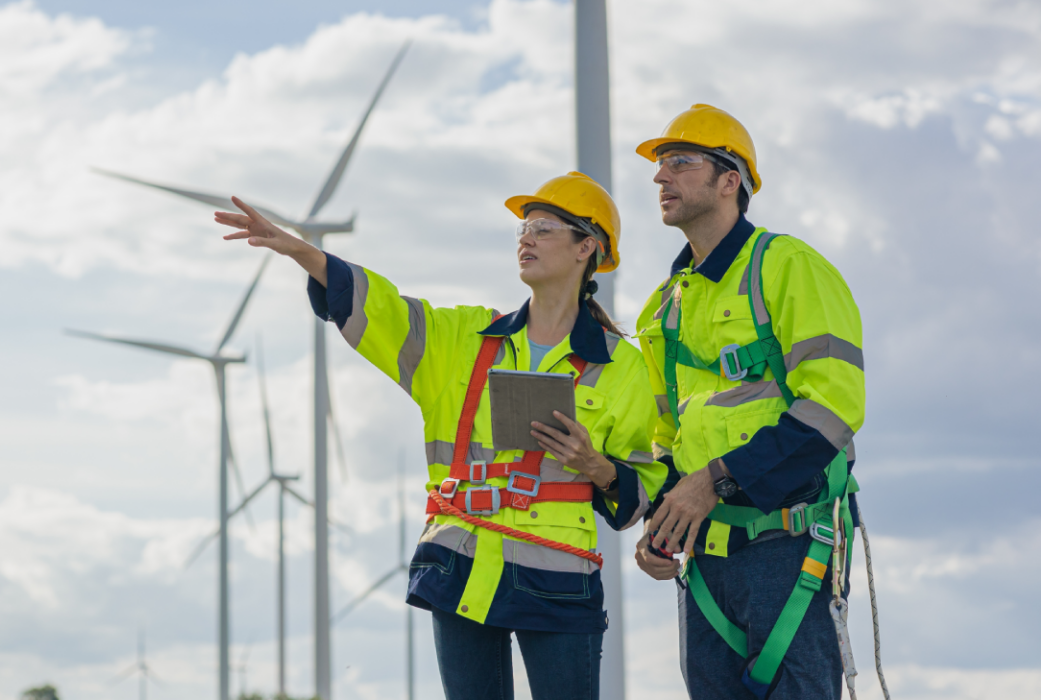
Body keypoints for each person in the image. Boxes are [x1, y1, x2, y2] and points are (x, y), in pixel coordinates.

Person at [215, 173, 664, 700]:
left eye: (543, 228)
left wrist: (598, 466)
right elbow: (382, 310)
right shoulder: (462, 337)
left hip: (557, 577)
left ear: (587, 246)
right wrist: (305, 254)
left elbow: (643, 492)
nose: (526, 238)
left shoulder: (624, 368)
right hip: (460, 562)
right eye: (523, 228)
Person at [630, 104, 866, 699]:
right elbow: (667, 437)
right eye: (659, 166)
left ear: (729, 180)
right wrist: (662, 524)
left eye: (679, 163)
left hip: (789, 551)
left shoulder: (790, 269)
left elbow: (832, 409)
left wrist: (716, 480)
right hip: (707, 568)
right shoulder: (661, 309)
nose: (660, 178)